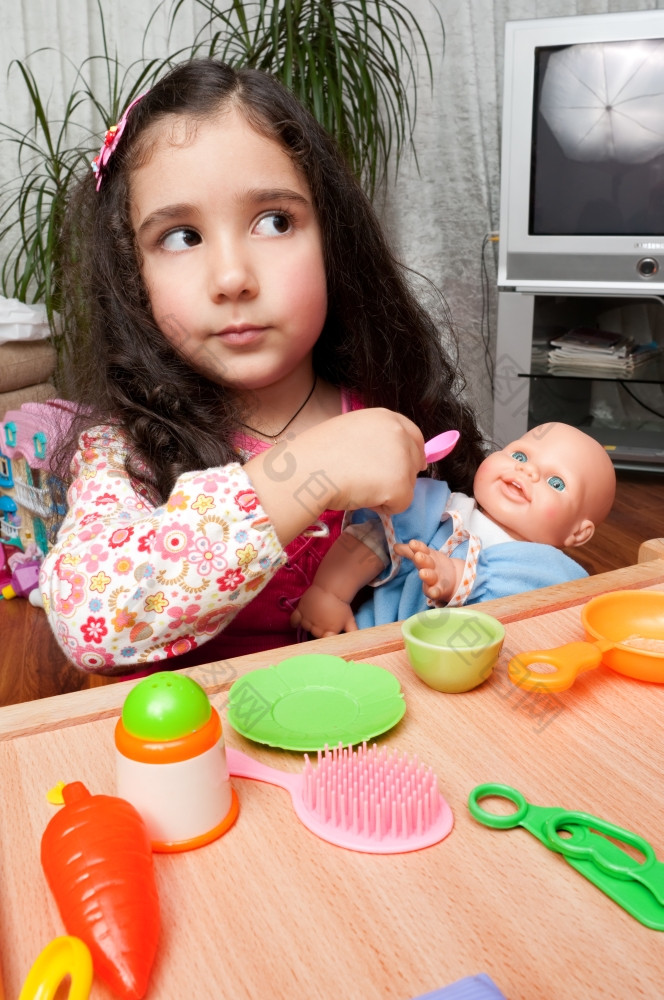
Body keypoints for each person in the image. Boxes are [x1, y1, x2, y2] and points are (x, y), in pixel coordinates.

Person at [41, 58, 486, 673]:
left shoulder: (391, 409)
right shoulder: (125, 453)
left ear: (332, 238)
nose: (231, 278)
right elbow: (91, 618)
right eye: (179, 237)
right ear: (133, 276)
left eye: (274, 222)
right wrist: (309, 471)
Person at [290, 422, 616, 636]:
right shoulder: (440, 509)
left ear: (578, 533)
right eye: (519, 454)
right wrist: (330, 593)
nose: (527, 471)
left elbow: (554, 612)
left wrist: (462, 578)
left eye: (555, 482)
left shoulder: (546, 568)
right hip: (377, 645)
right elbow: (370, 542)